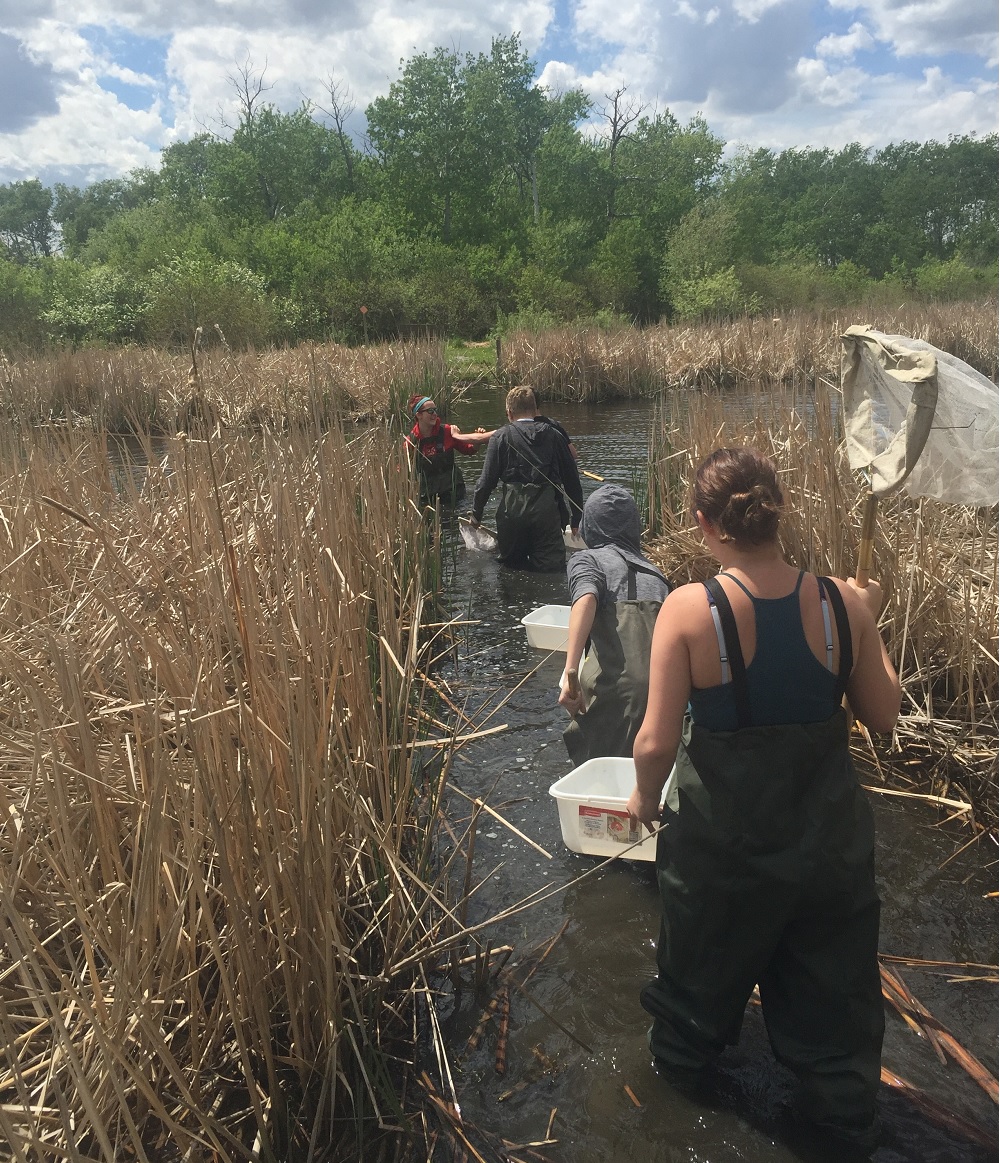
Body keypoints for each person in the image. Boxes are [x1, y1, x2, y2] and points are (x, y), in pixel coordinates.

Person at [627, 447, 900, 1157]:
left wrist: (644, 799)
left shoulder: (690, 609)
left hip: (726, 861)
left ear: (702, 524)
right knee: (836, 1018)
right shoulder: (843, 601)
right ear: (779, 512)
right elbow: (884, 713)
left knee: (687, 1010)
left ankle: (676, 1102)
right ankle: (843, 1126)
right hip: (827, 859)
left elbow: (655, 742)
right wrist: (870, 618)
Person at [558, 484, 670, 765]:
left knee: (601, 780)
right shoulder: (657, 575)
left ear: (590, 527)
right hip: (661, 699)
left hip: (613, 692)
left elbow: (586, 598)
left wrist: (569, 672)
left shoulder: (587, 559)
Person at [470, 386, 583, 572]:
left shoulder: (500, 437)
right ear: (535, 409)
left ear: (509, 413)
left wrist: (476, 514)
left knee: (511, 570)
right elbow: (572, 479)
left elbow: (486, 482)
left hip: (512, 515)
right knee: (552, 571)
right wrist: (576, 518)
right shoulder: (555, 435)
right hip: (547, 514)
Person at [404, 395, 492, 507]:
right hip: (428, 499)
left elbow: (469, 450)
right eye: (430, 411)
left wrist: (478, 439)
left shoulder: (447, 431)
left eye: (435, 410)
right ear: (419, 415)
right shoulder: (410, 442)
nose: (434, 414)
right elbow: (402, 472)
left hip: (454, 493)